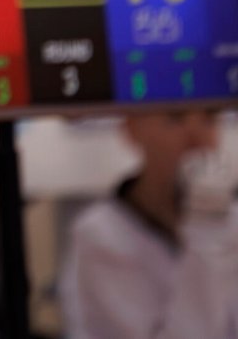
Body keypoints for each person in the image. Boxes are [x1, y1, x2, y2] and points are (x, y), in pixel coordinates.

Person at [58, 109, 238, 337]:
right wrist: (206, 236)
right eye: (175, 119)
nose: (197, 139)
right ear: (132, 128)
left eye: (209, 118)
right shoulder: (101, 236)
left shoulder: (229, 222)